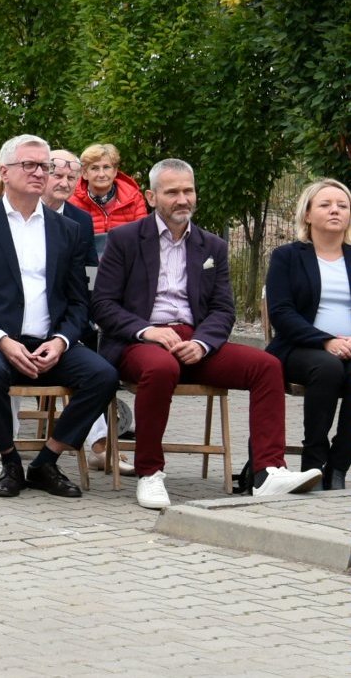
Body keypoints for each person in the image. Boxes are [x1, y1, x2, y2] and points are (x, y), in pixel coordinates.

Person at [93, 159, 319, 507]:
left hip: (193, 341)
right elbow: (103, 305)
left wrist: (202, 343)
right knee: (161, 367)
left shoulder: (212, 246)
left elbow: (222, 309)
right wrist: (147, 331)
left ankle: (267, 473)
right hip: (137, 342)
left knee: (266, 366)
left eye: (188, 191)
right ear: (152, 197)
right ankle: (150, 472)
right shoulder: (125, 239)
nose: (182, 199)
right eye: (172, 192)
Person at [0, 134, 117, 499]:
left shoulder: (67, 230)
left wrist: (62, 341)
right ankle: (10, 461)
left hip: (49, 343)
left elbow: (77, 301)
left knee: (103, 375)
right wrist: (1, 341)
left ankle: (46, 462)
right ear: (5, 172)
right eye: (30, 165)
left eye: (45, 166)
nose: (40, 172)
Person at [265, 178, 351, 490]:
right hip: (299, 348)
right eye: (326, 205)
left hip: (349, 348)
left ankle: (338, 466)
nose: (335, 210)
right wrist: (326, 341)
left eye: (342, 206)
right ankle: (314, 461)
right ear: (307, 214)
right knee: (328, 367)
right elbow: (281, 313)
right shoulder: (288, 256)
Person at [70, 143, 149, 249]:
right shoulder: (72, 200)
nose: (101, 174)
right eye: (95, 168)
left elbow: (144, 238)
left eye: (106, 167)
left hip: (124, 261)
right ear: (84, 173)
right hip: (86, 263)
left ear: (115, 171)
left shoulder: (134, 198)